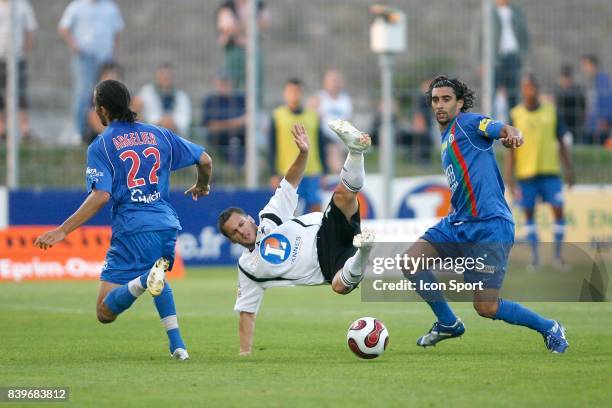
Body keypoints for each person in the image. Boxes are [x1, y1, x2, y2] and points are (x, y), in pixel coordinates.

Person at [34, 79, 213, 360]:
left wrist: (62, 230)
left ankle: (142, 280)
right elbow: (205, 160)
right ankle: (177, 345)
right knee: (158, 277)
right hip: (166, 226)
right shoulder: (159, 134)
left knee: (104, 312)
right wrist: (202, 185)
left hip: (133, 229)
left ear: (103, 110)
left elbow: (101, 196)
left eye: (95, 106)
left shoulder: (101, 146)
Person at [402, 75, 568, 353]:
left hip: (490, 226)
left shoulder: (467, 123)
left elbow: (498, 127)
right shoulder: (445, 137)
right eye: (435, 100)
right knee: (411, 262)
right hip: (458, 223)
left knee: (486, 306)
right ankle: (448, 322)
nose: (439, 105)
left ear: (460, 103)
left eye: (446, 99)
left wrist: (512, 133)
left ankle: (550, 327)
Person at [218, 121, 373, 356]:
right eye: (234, 232)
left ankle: (355, 150)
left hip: (325, 231)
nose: (241, 230)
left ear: (249, 218)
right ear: (232, 240)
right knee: (339, 286)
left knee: (344, 196)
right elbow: (247, 312)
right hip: (327, 267)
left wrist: (304, 153)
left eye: (241, 223)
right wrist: (244, 352)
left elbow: (289, 183)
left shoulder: (270, 217)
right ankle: (364, 249)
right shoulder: (249, 268)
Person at [506, 74, 574, 269]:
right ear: (522, 90)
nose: (530, 91)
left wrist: (569, 169)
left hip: (550, 172)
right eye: (526, 88)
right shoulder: (515, 114)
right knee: (529, 215)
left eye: (532, 87)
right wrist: (509, 178)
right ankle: (535, 258)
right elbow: (510, 150)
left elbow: (561, 142)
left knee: (558, 209)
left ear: (537, 89)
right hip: (526, 175)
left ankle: (558, 257)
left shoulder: (552, 112)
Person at [58, 0, 124, 143]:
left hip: (105, 58)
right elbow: (64, 27)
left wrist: (113, 52)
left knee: (105, 94)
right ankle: (78, 131)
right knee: (83, 94)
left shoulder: (110, 7)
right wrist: (75, 46)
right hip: (85, 58)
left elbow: (117, 30)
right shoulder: (77, 6)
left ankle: (104, 130)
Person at [269, 78, 327, 213]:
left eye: (297, 91)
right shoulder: (278, 116)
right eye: (291, 91)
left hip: (312, 171)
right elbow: (272, 146)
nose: (294, 94)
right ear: (285, 93)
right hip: (288, 172)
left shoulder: (313, 116)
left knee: (316, 208)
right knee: (290, 210)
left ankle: (317, 233)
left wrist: (325, 170)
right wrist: (273, 173)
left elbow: (321, 143)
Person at [0, 0, 37, 140]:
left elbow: (30, 29)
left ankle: (24, 128)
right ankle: (2, 128)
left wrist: (24, 52)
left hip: (17, 57)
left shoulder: (22, 5)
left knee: (20, 93)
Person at [216, 0, 269, 91]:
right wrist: (252, 24)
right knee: (235, 81)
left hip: (253, 49)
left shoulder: (258, 5)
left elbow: (264, 23)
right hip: (235, 50)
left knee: (256, 83)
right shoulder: (228, 6)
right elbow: (228, 29)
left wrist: (239, 25)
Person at [308, 69, 354, 173]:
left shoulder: (346, 99)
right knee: (334, 158)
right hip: (323, 137)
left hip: (340, 138)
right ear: (325, 83)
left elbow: (349, 120)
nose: (334, 84)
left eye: (337, 81)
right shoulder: (319, 98)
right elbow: (308, 116)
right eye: (332, 81)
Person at [132, 62, 192, 137]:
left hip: (175, 135)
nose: (165, 77)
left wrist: (170, 123)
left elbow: (183, 120)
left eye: (168, 75)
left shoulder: (182, 96)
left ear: (173, 77)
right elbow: (137, 111)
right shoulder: (146, 92)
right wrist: (160, 122)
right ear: (157, 76)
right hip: (151, 135)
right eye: (162, 74)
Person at [201, 70, 246, 167]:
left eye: (226, 82)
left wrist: (223, 124)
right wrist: (236, 123)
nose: (224, 85)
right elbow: (209, 125)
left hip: (240, 136)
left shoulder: (240, 98)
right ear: (215, 83)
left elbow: (248, 119)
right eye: (221, 82)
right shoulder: (210, 100)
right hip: (218, 139)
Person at [84, 62, 122, 144]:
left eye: (115, 75)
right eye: (109, 75)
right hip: (98, 136)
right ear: (102, 77)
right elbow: (92, 118)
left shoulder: (121, 95)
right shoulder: (97, 94)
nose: (112, 78)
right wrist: (111, 135)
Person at [580, 54, 612, 145]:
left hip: (600, 124)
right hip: (591, 124)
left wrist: (605, 119)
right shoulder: (592, 80)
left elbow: (607, 100)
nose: (584, 68)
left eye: (585, 65)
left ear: (592, 65)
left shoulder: (602, 79)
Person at [555, 65, 585, 143]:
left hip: (574, 128)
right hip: (559, 127)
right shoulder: (557, 91)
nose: (565, 81)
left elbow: (583, 110)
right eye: (564, 78)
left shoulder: (577, 92)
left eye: (567, 78)